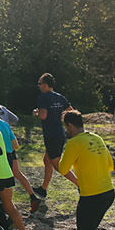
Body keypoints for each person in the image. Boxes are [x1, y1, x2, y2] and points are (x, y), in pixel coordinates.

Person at [0, 100, 41, 213]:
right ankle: (30, 199)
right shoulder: (4, 124)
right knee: (8, 187)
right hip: (9, 156)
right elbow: (15, 145)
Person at [33, 72, 78, 201]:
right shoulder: (60, 97)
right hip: (59, 132)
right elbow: (71, 111)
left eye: (40, 83)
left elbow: (43, 116)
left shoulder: (43, 97)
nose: (39, 86)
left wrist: (36, 112)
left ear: (46, 85)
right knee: (47, 160)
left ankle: (80, 185)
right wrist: (60, 117)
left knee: (58, 165)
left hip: (51, 135)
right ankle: (43, 189)